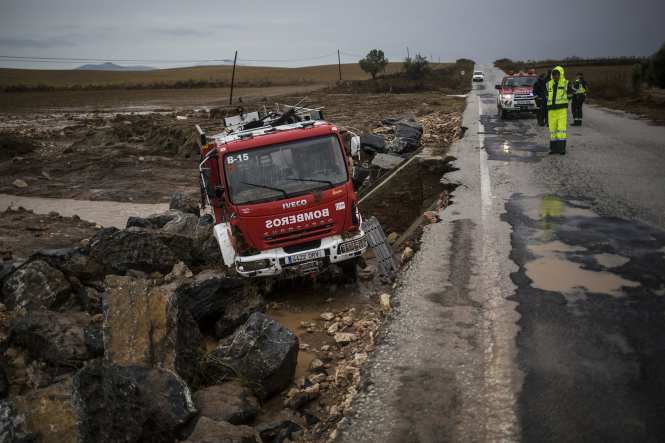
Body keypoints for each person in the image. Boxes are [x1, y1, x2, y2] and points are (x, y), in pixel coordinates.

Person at [546, 66, 574, 155]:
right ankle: (553, 149)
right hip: (551, 111)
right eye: (554, 77)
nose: (555, 78)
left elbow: (570, 95)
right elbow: (547, 96)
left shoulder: (566, 83)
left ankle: (561, 149)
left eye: (557, 77)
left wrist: (565, 105)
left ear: (560, 75)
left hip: (561, 110)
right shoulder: (548, 84)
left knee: (561, 130)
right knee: (553, 130)